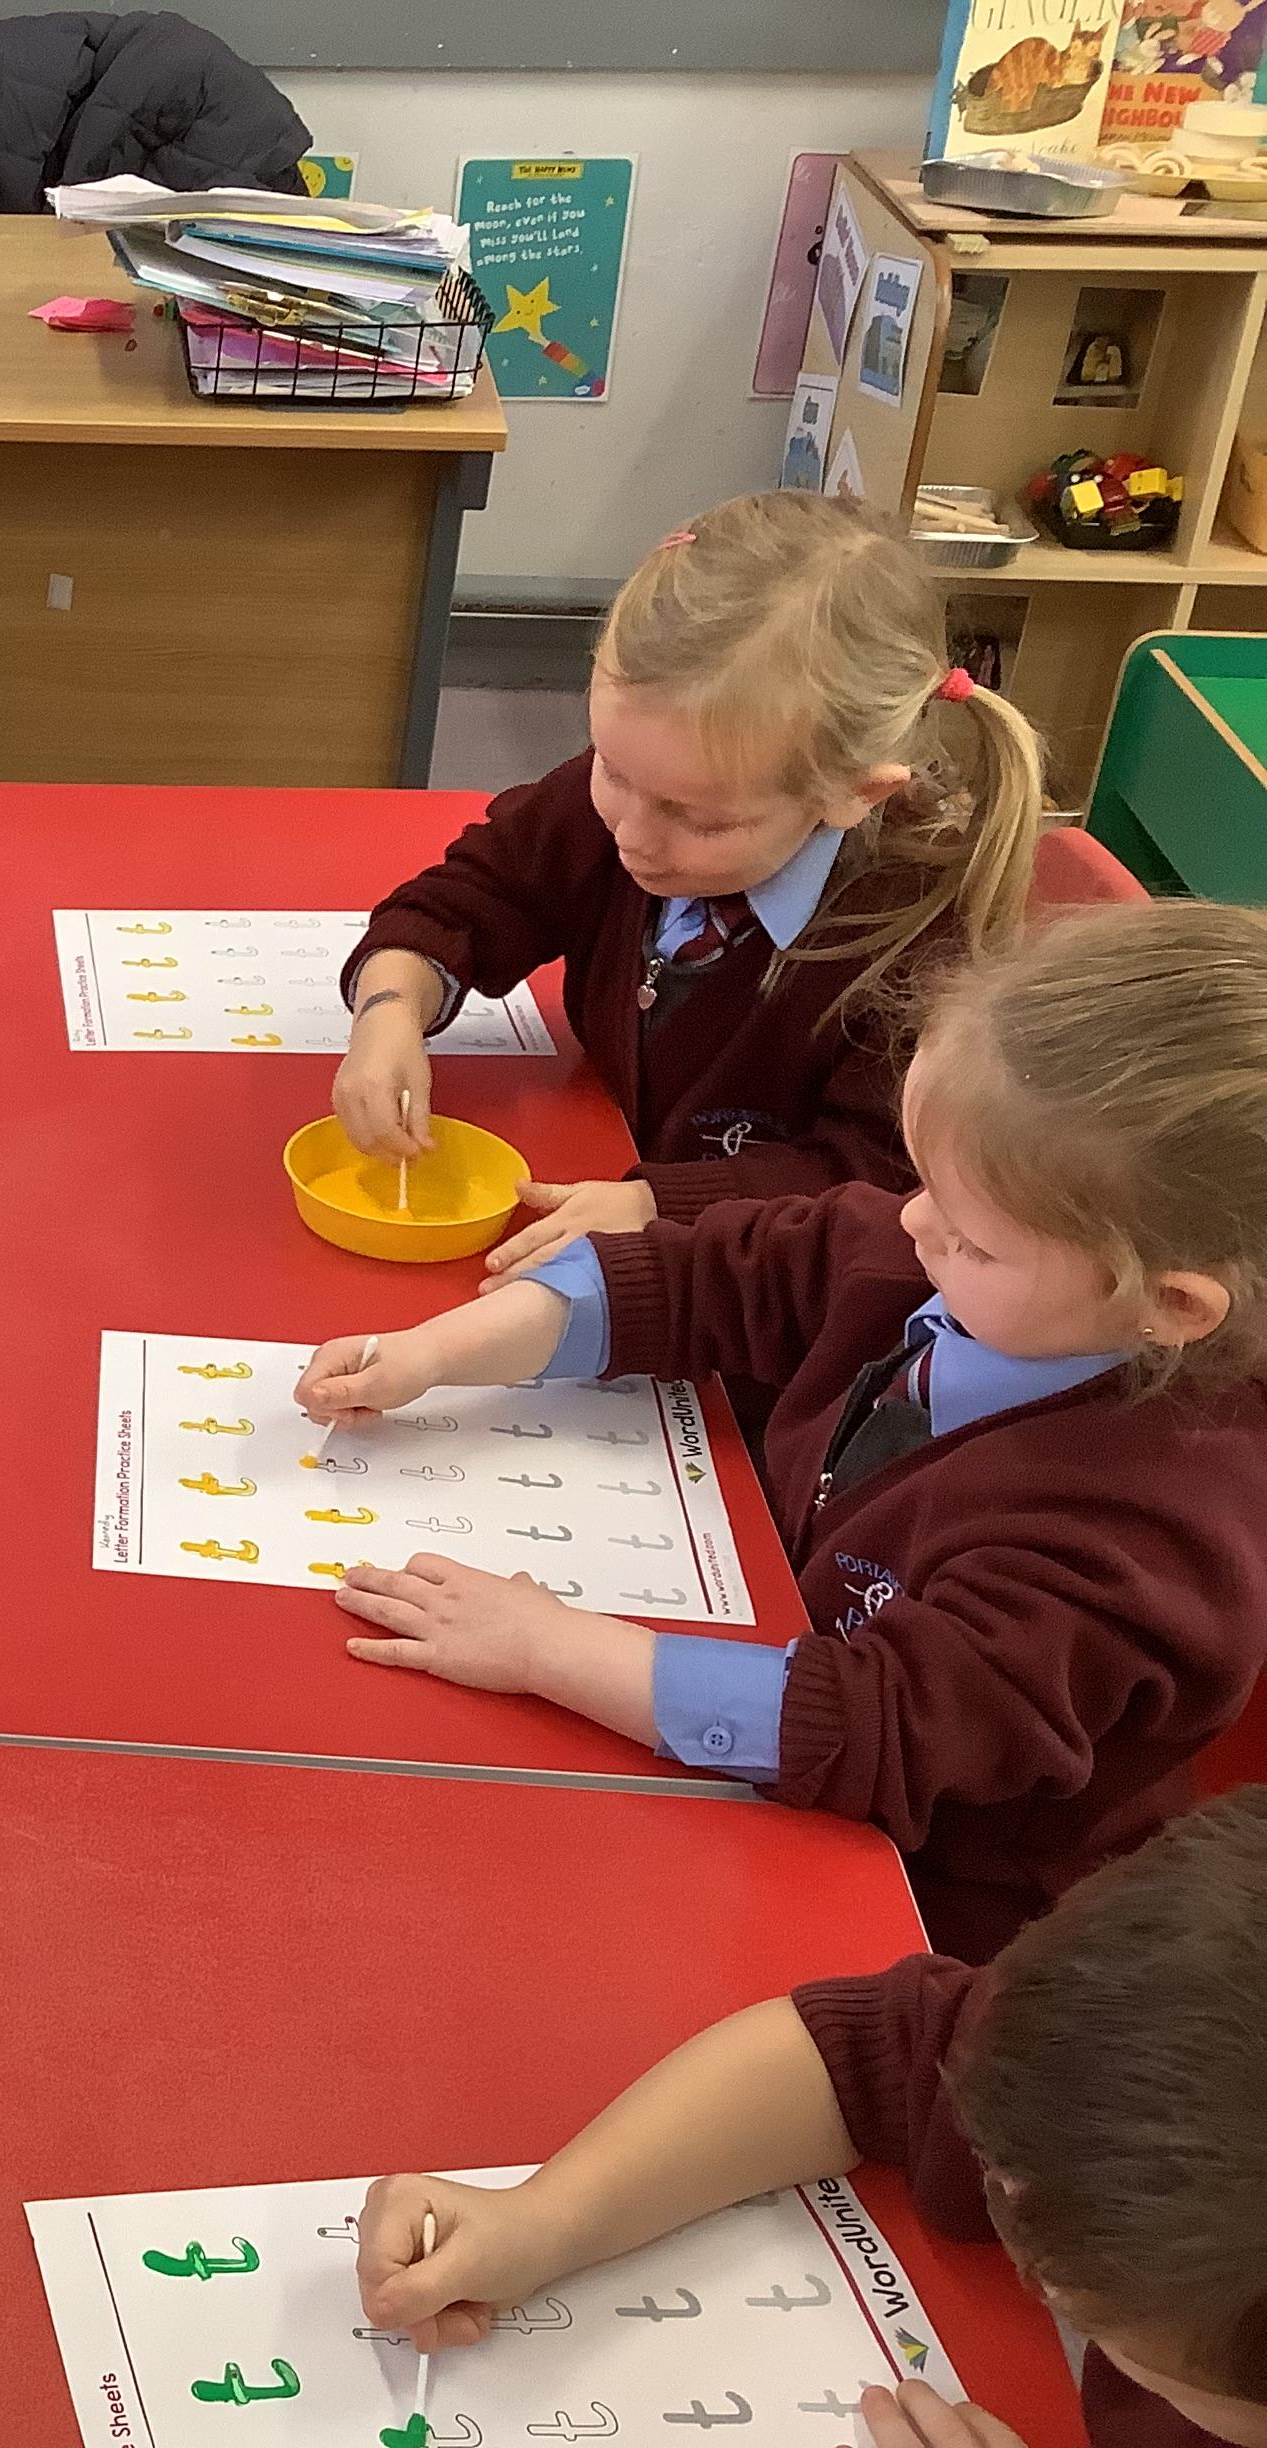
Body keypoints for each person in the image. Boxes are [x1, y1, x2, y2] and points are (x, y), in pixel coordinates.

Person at [295, 902, 1267, 1959]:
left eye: (974, 1239)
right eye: (923, 1184)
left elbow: (874, 1726)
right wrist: (438, 1354)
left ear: (1170, 1305)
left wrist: (547, 1646)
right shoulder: (955, 1267)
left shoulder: (1143, 1543)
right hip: (770, 1697)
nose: (913, 1220)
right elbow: (710, 1272)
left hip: (930, 1915)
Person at [358, 1786, 1267, 2448]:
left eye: (1074, 2297)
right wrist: (549, 2217)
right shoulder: (1154, 2029)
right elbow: (866, 2055)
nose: (999, 2191)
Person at [335, 492, 1041, 1279]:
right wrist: (390, 1009)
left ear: (854, 794)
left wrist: (660, 1204)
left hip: (760, 1285)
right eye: (611, 769)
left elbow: (880, 1174)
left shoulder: (921, 946)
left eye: (698, 820)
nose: (632, 834)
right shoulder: (641, 790)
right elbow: (467, 897)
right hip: (602, 1163)